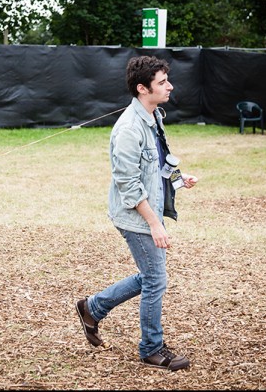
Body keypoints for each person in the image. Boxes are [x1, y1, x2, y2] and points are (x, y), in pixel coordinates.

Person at [75, 55, 198, 371]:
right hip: (136, 216)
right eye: (162, 82)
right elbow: (128, 185)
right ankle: (151, 348)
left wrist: (178, 179)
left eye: (167, 80)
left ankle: (93, 307)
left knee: (150, 277)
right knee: (156, 280)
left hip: (147, 210)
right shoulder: (129, 128)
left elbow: (158, 162)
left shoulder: (154, 115)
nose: (169, 86)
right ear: (143, 88)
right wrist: (155, 223)